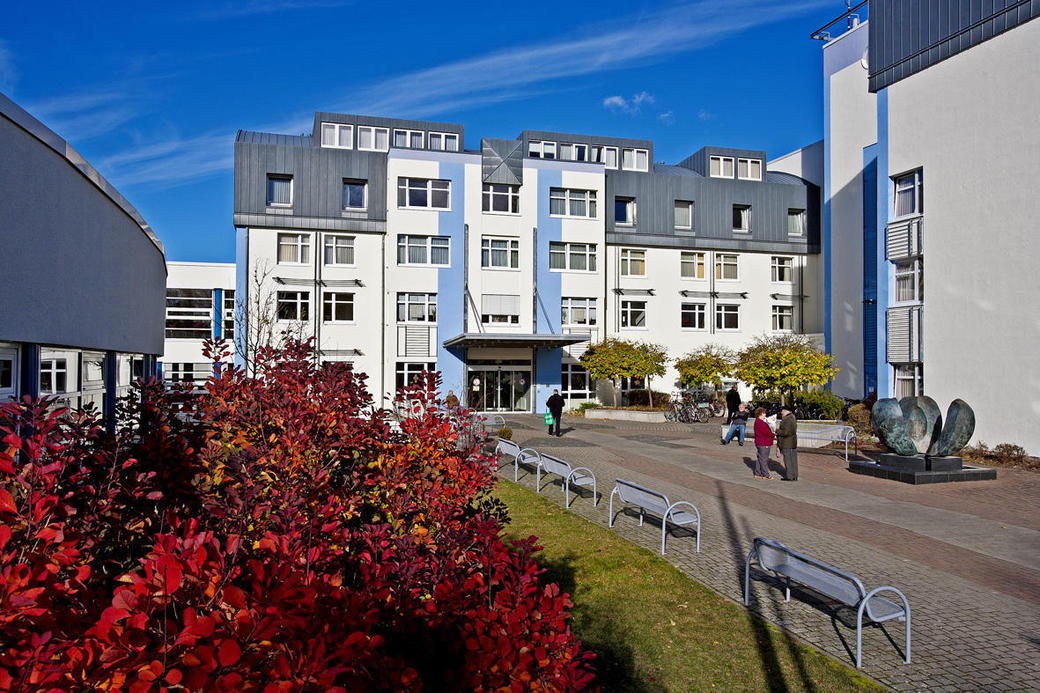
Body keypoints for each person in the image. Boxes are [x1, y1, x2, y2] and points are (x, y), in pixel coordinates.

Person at [752, 407, 775, 479]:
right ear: (761, 414)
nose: (765, 414)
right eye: (764, 413)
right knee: (764, 459)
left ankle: (757, 473)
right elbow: (767, 432)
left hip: (759, 442)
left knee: (760, 458)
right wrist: (773, 433)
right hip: (764, 443)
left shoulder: (757, 421)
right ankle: (766, 475)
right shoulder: (761, 422)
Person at [777, 407, 799, 481]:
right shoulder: (793, 418)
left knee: (788, 460)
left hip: (787, 443)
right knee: (794, 460)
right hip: (793, 442)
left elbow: (785, 432)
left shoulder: (787, 419)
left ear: (786, 411)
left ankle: (790, 477)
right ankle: (795, 476)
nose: (781, 412)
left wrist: (776, 430)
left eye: (782, 411)